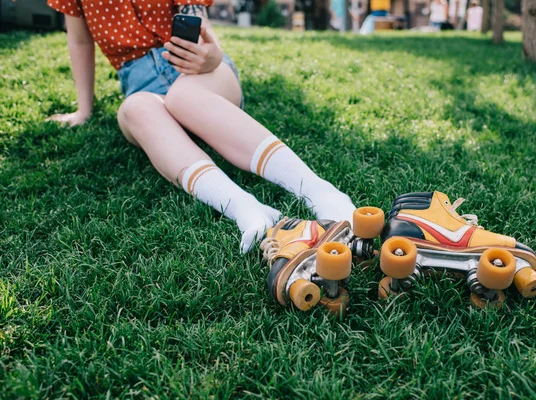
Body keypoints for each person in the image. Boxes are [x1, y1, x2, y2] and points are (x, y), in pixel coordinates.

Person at [45, 0, 356, 254]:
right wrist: (84, 111)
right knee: (134, 109)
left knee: (183, 96)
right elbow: (79, 39)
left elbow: (200, 23)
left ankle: (318, 190)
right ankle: (247, 209)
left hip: (203, 75)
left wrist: (213, 56)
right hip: (141, 86)